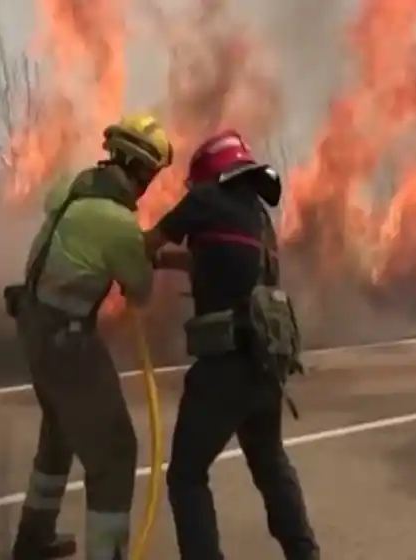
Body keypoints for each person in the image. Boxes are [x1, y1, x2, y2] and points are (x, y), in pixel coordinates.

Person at [143, 130, 320, 560]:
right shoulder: (259, 221)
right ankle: (304, 553)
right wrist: (169, 263)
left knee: (186, 475)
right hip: (265, 366)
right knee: (270, 464)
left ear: (210, 174)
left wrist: (143, 254)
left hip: (223, 368)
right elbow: (217, 259)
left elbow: (146, 242)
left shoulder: (204, 201)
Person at [4, 113, 173, 560]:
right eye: (152, 175)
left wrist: (135, 249)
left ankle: (33, 538)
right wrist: (144, 254)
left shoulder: (71, 187)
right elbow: (139, 290)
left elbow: (82, 242)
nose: (150, 184)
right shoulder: (116, 222)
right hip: (68, 341)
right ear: (140, 169)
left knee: (59, 431)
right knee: (116, 454)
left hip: (32, 325)